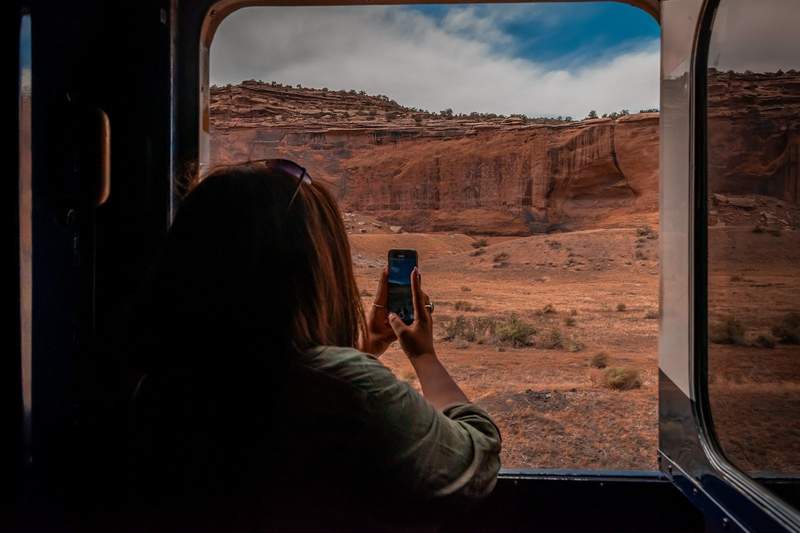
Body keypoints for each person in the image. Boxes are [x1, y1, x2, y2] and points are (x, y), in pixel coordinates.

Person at [126, 159, 501, 531]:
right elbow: (477, 456)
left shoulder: (159, 391)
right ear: (308, 271)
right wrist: (423, 355)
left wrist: (366, 346)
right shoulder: (350, 390)